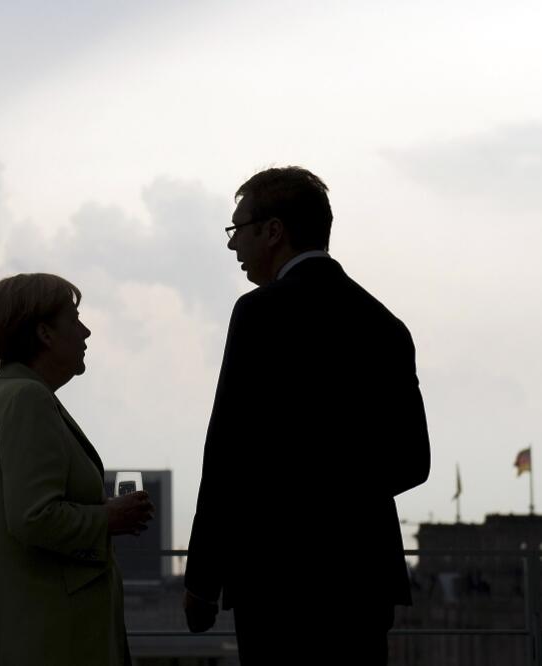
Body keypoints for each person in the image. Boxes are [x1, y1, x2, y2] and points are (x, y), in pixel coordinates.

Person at [183, 167, 431, 663]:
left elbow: (227, 452)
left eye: (238, 230)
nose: (233, 246)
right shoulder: (386, 325)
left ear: (273, 231)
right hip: (362, 577)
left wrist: (202, 580)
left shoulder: (258, 314)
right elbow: (413, 461)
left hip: (275, 576)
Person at [0, 273, 155, 666]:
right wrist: (108, 517)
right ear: (45, 333)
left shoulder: (8, 394)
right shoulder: (28, 399)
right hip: (45, 636)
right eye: (75, 318)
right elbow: (33, 517)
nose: (86, 331)